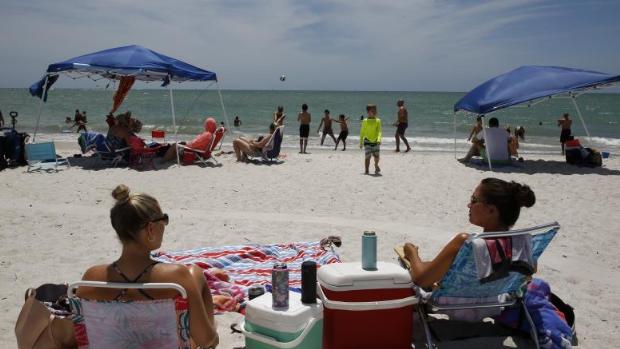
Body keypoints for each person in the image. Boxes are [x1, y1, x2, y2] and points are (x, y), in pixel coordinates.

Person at [77, 184, 219, 348]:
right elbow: (207, 341)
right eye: (163, 219)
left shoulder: (91, 278)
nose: (165, 225)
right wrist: (212, 333)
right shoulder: (177, 277)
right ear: (151, 228)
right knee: (196, 273)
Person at [402, 178, 536, 288]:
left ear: (491, 210)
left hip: (456, 304)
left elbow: (421, 280)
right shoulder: (522, 245)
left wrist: (412, 254)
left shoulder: (466, 242)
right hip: (495, 303)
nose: (469, 205)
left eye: (474, 200)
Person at [359, 104, 382, 174]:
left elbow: (379, 131)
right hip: (367, 141)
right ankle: (366, 170)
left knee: (376, 157)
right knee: (367, 157)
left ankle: (376, 165)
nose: (374, 112)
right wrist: (360, 142)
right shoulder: (365, 121)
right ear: (368, 112)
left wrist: (379, 139)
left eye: (375, 111)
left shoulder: (378, 121)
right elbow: (362, 132)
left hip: (376, 141)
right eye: (373, 111)